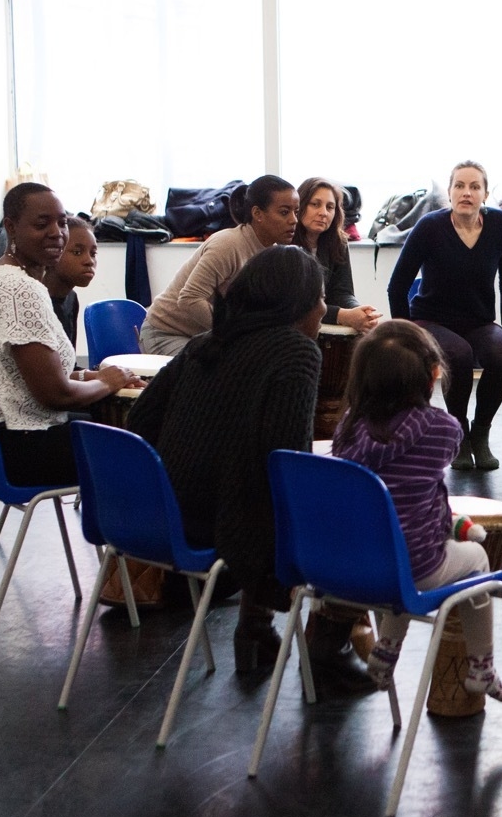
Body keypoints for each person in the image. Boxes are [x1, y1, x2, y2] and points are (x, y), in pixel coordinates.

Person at [126, 246, 362, 678]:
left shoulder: (203, 344)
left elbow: (140, 421)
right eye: (319, 298)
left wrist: (201, 447)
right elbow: (286, 462)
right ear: (297, 304)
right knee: (353, 510)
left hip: (163, 519)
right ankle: (324, 644)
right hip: (226, 532)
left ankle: (258, 631)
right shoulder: (297, 352)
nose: (323, 308)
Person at [331, 321, 502, 702]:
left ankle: (386, 649)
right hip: (414, 566)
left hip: (350, 563)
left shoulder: (347, 428)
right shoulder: (440, 429)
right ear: (433, 377)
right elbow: (449, 450)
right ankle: (481, 667)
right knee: (476, 558)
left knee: (397, 550)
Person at [0, 185, 139, 487]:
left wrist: (92, 376)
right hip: (21, 448)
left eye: (62, 222)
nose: (57, 233)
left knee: (119, 428)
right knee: (145, 445)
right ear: (11, 227)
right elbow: (56, 395)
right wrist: (108, 382)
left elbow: (29, 376)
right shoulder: (20, 289)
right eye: (42, 224)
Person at [386, 161, 502, 471]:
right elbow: (397, 286)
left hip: (479, 321)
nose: (466, 193)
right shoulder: (430, 227)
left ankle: (480, 432)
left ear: (485, 194)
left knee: (500, 354)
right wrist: (407, 337)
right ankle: (458, 433)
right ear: (449, 192)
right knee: (458, 355)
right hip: (431, 320)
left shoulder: (501, 225)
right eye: (459, 186)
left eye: (474, 187)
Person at [139, 175, 299, 356]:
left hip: (206, 336)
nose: (294, 220)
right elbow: (190, 298)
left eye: (296, 212)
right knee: (218, 369)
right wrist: (234, 333)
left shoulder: (273, 254)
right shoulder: (228, 244)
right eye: (284, 212)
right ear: (257, 214)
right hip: (165, 332)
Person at [292, 176, 381, 333]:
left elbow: (342, 293)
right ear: (300, 205)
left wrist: (359, 312)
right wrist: (343, 315)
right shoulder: (286, 244)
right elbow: (297, 305)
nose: (323, 213)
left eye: (330, 207)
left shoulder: (338, 242)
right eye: (315, 204)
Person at [43, 214, 97, 349]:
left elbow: (69, 359)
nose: (89, 261)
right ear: (54, 253)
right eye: (77, 252)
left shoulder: (71, 299)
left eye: (93, 253)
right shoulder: (36, 301)